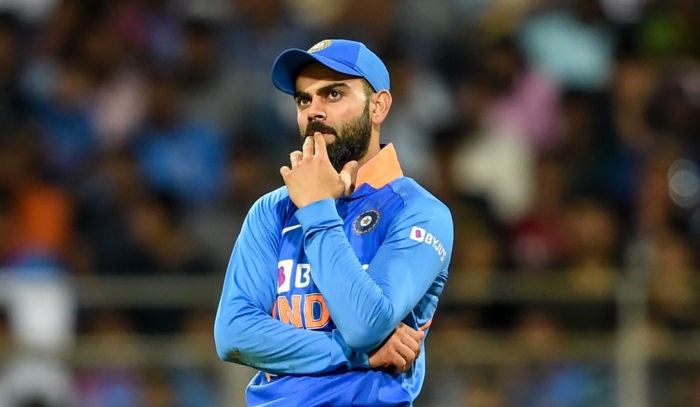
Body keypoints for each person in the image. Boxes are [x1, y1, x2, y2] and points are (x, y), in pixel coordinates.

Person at [214, 38, 454, 406]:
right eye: (303, 100)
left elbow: (365, 325)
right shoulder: (271, 210)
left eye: (334, 94)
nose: (314, 111)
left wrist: (316, 208)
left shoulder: (419, 212)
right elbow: (234, 334)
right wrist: (355, 354)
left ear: (378, 106)